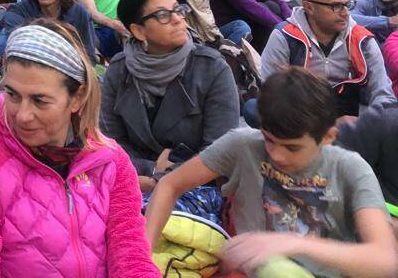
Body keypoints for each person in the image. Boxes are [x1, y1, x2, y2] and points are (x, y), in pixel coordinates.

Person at [0, 21, 160, 277]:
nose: (22, 115)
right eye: (12, 95)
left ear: (77, 98)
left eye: (39, 100)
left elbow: (130, 252)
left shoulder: (110, 161)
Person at [145, 68, 398, 278]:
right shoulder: (242, 145)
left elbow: (385, 259)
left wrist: (295, 244)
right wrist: (141, 256)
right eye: (269, 139)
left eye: (292, 147)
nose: (277, 155)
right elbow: (169, 185)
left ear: (328, 137)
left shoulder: (350, 168)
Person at [101, 0, 239, 189]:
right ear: (138, 31)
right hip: (134, 180)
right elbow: (111, 140)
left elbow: (220, 149)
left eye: (178, 10)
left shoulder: (210, 67)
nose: (178, 19)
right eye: (163, 15)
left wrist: (166, 179)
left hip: (196, 186)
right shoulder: (119, 69)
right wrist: (151, 172)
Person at [260, 0, 395, 117]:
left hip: (347, 117)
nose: (345, 13)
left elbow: (383, 93)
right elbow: (270, 91)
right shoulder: (285, 35)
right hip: (298, 116)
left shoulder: (361, 39)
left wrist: (366, 126)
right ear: (309, 8)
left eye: (347, 5)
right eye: (336, 6)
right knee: (254, 109)